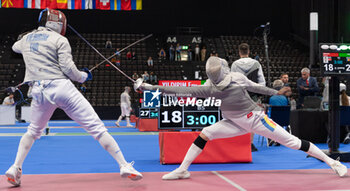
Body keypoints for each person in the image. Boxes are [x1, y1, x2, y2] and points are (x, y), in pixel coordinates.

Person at [135, 56, 347, 180]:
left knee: (293, 142)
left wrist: (276, 92)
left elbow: (257, 88)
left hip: (255, 119)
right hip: (233, 122)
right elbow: (180, 91)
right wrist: (150, 87)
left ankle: (332, 162)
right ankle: (182, 170)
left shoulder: (232, 80)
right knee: (206, 133)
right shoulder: (209, 87)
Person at [5, 8, 142, 187]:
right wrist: (84, 76)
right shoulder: (60, 40)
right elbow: (69, 70)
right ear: (57, 23)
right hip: (61, 88)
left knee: (32, 131)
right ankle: (124, 165)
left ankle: (15, 168)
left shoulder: (25, 39)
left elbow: (15, 46)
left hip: (38, 91)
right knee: (97, 129)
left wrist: (31, 34)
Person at [231, 43, 266, 151]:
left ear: (239, 52)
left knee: (238, 119)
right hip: (253, 96)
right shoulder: (256, 64)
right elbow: (262, 81)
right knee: (252, 120)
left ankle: (240, 143)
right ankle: (250, 144)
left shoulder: (235, 64)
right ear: (248, 52)